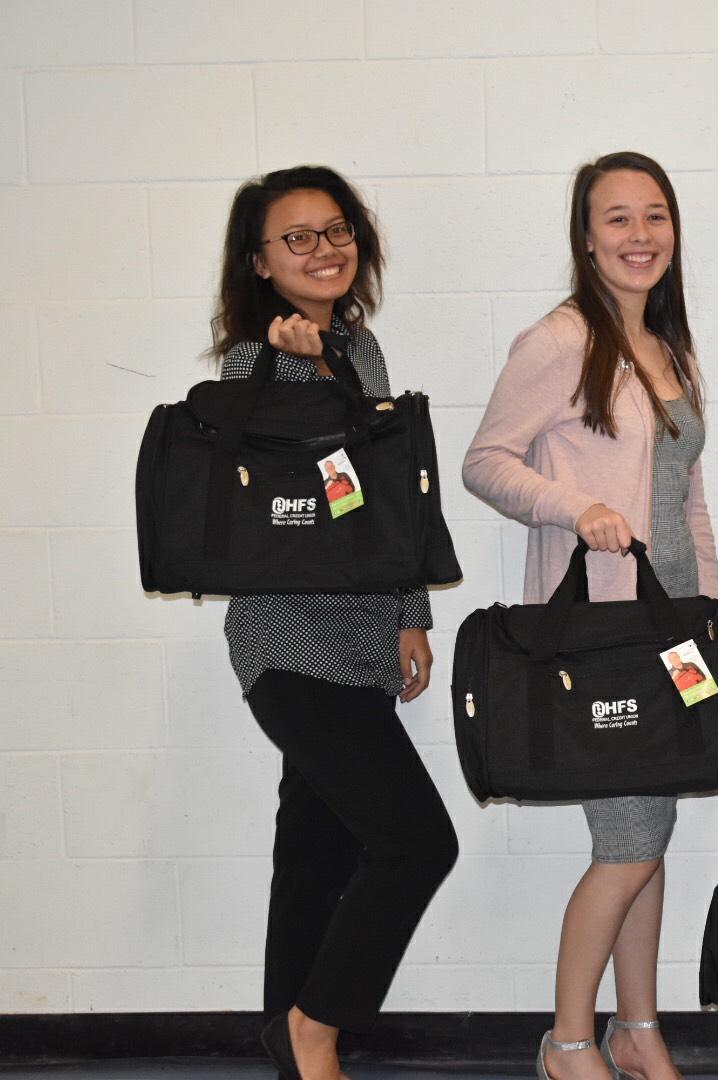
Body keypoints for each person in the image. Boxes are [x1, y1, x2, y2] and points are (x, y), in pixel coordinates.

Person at [463, 151, 718, 1080]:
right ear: (585, 236)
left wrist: (713, 620)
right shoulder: (558, 340)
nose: (640, 236)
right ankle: (568, 1041)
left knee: (648, 831)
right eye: (618, 219)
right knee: (626, 841)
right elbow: (485, 462)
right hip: (603, 638)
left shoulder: (671, 345)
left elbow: (686, 497)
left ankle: (638, 1029)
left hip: (673, 631)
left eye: (656, 216)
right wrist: (578, 511)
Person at [210, 165, 459, 1080]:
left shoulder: (363, 348)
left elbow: (385, 496)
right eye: (299, 237)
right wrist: (304, 372)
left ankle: (291, 1042)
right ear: (261, 263)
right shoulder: (252, 363)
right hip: (287, 639)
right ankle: (316, 1031)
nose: (325, 249)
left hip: (360, 637)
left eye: (336, 229)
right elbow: (301, 490)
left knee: (314, 847)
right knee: (417, 842)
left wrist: (409, 614)